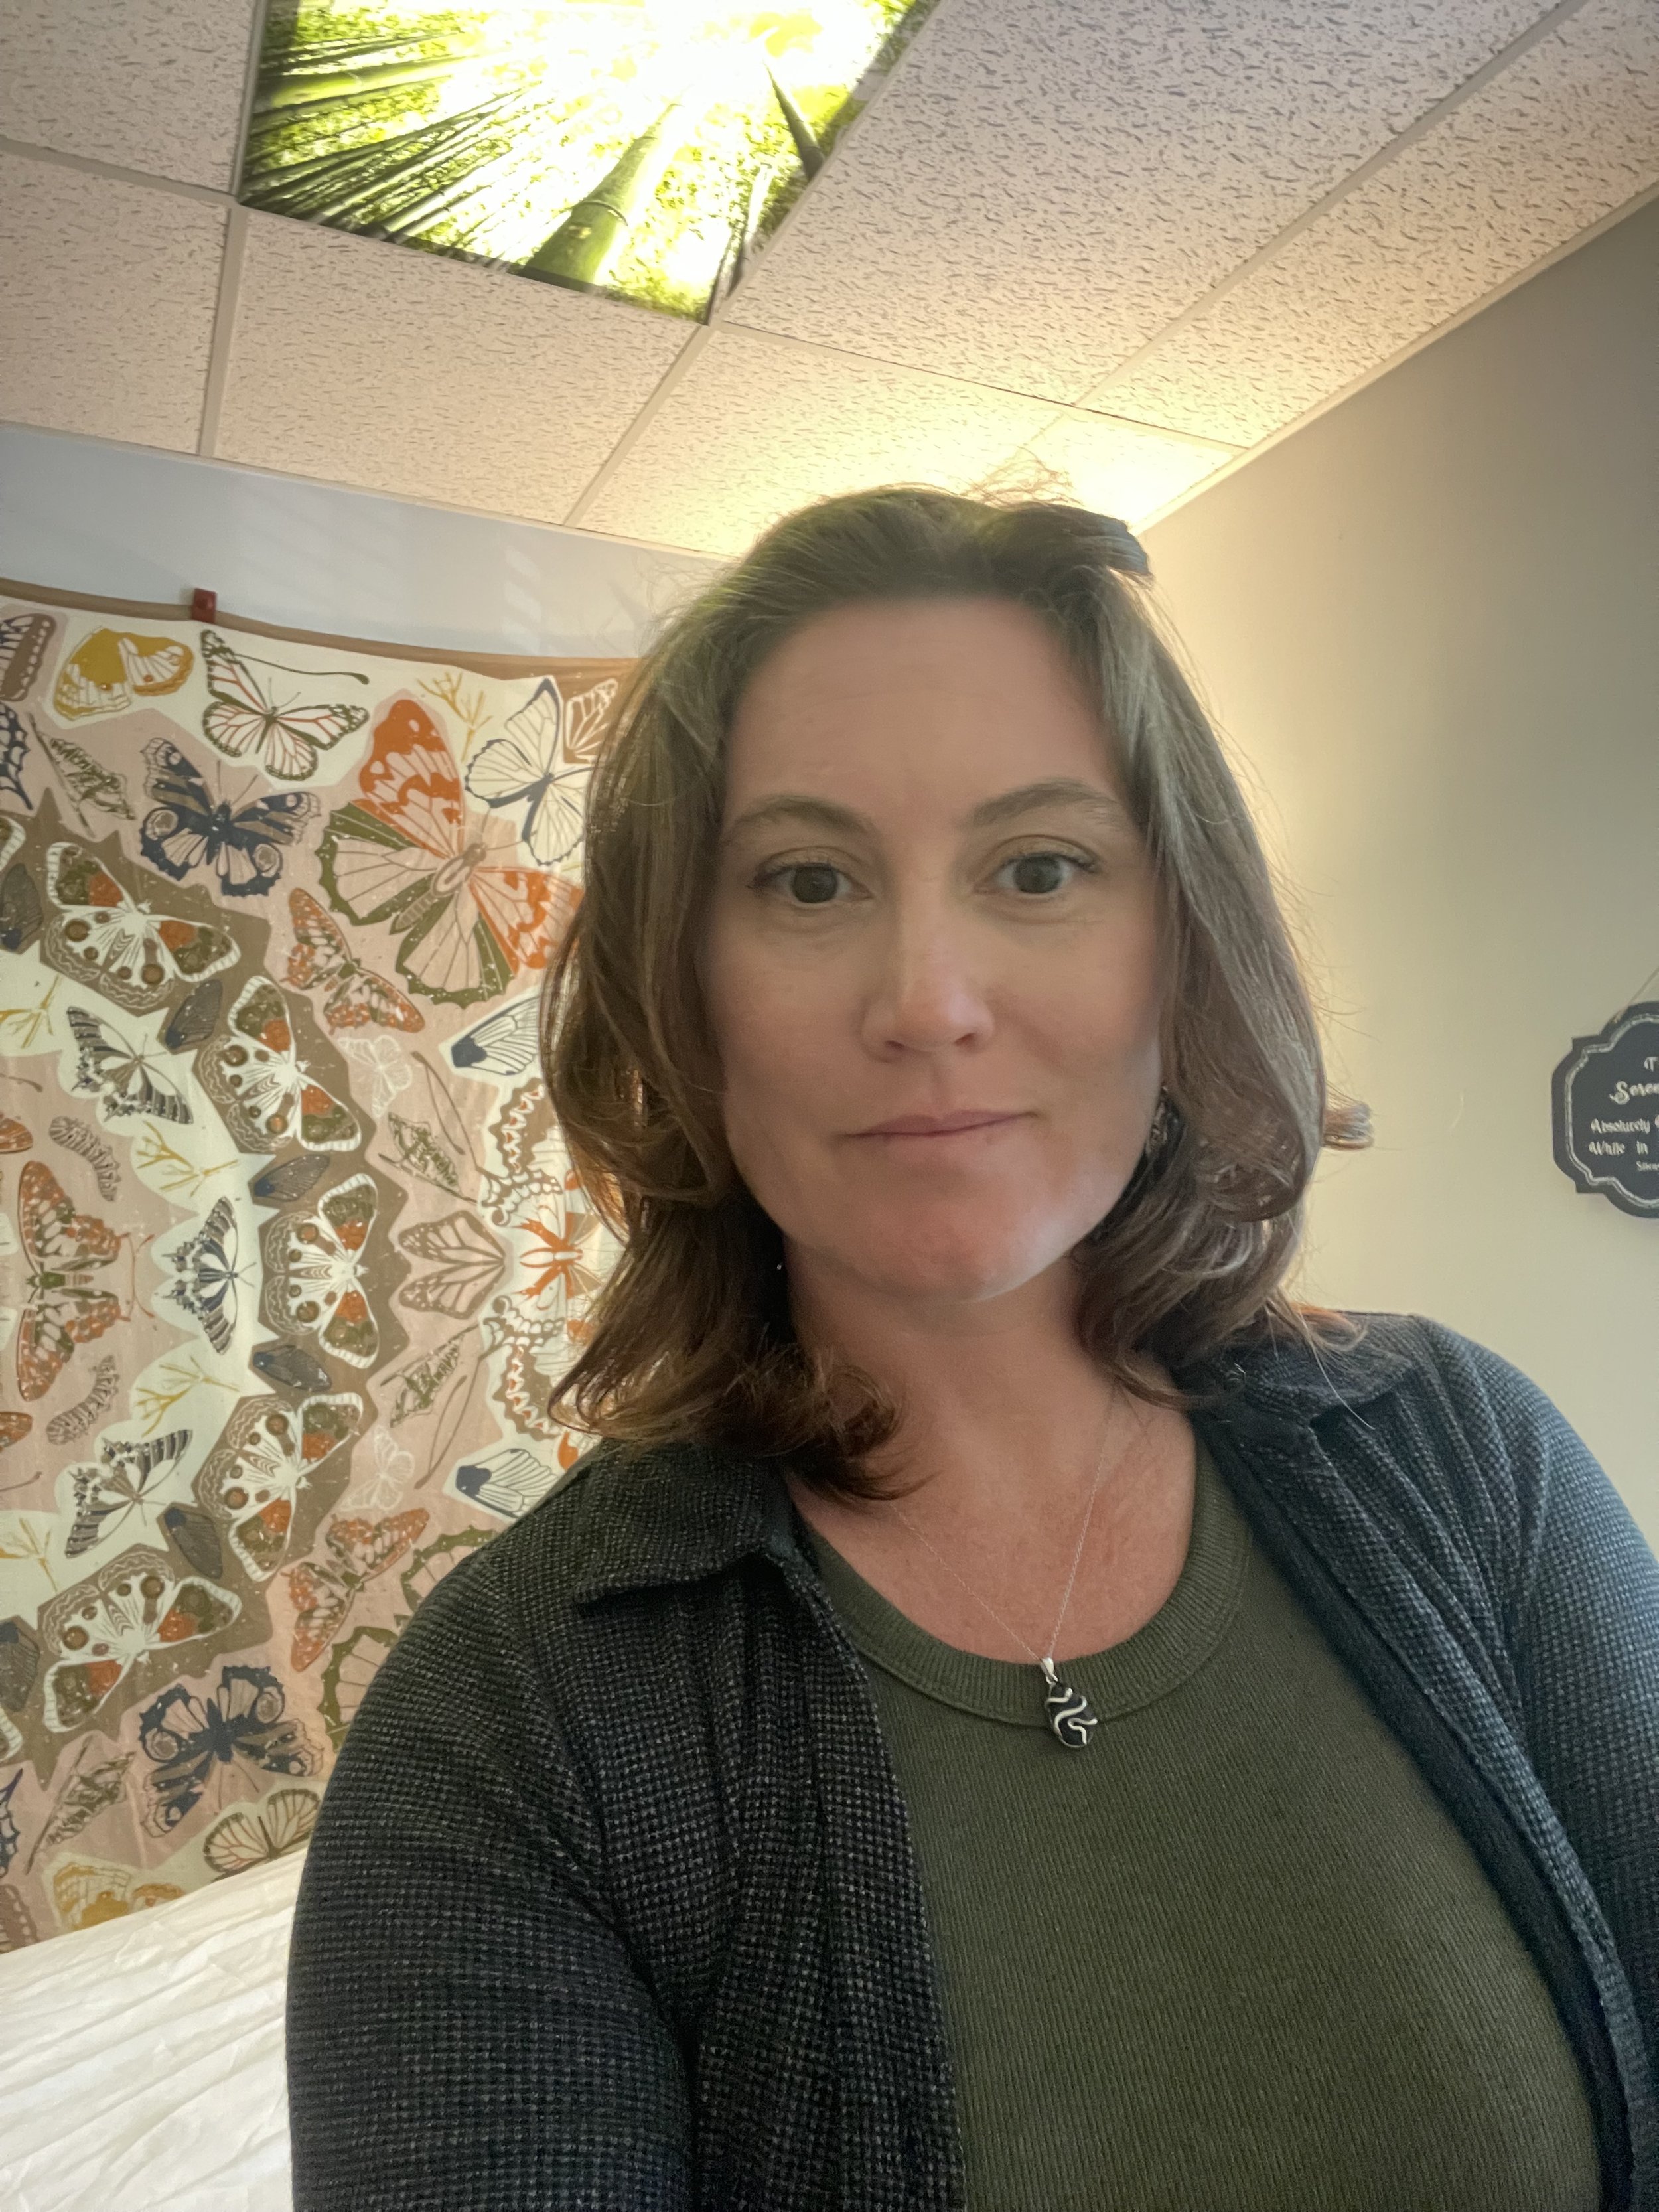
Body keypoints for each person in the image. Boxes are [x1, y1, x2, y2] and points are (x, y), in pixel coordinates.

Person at [285, 488, 1658, 2211]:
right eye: (805, 879)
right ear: (680, 984)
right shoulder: (514, 1732)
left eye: (1036, 867)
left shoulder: (1465, 1460)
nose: (924, 998)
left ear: (1174, 941)